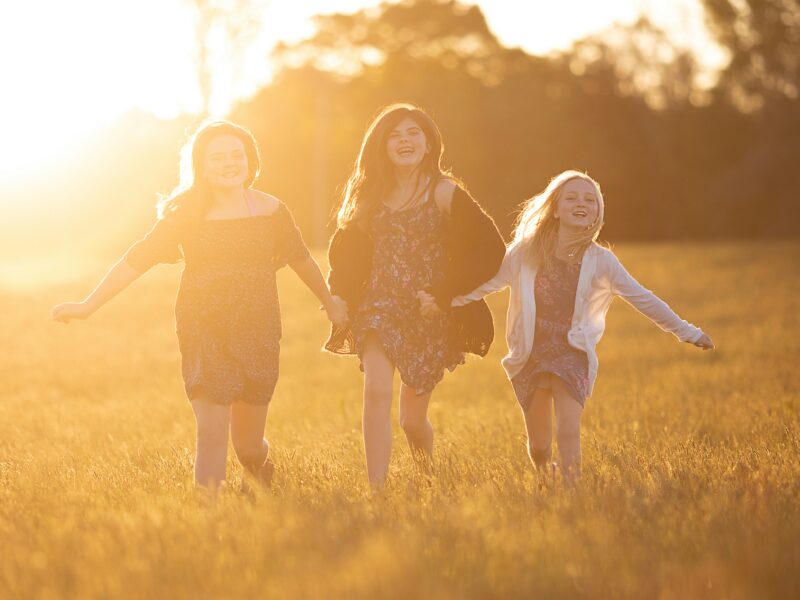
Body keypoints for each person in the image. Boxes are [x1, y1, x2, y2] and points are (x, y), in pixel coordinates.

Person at [52, 120, 348, 491]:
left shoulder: (271, 210)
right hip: (202, 325)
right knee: (211, 432)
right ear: (202, 166)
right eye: (218, 157)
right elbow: (137, 258)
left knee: (247, 445)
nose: (229, 163)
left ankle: (259, 467)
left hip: (258, 329)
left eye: (237, 154)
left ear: (250, 160)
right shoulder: (186, 214)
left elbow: (301, 259)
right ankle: (211, 519)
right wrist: (87, 304)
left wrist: (330, 303)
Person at [440, 170, 714, 483]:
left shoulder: (602, 261)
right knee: (540, 446)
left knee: (568, 429)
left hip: (573, 353)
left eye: (590, 200)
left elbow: (643, 298)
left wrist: (687, 331)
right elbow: (485, 284)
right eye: (571, 197)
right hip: (529, 353)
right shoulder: (524, 252)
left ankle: (572, 492)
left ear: (597, 213)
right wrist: (443, 301)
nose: (581, 203)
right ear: (555, 208)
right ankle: (545, 476)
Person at [325, 103, 506, 488]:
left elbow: (491, 249)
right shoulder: (370, 196)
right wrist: (339, 294)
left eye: (413, 134)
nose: (404, 140)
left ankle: (427, 474)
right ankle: (377, 490)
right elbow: (345, 255)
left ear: (429, 145)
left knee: (411, 420)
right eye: (394, 134)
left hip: (427, 311)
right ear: (381, 145)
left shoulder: (443, 191)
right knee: (375, 389)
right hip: (379, 305)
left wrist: (444, 294)